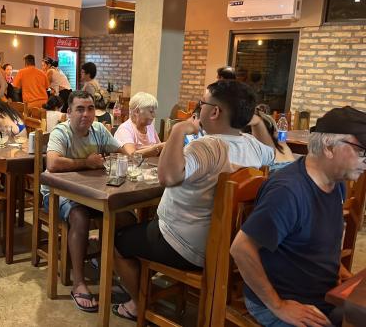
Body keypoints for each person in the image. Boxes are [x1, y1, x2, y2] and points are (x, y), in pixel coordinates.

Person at [111, 80, 275, 321]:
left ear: (215, 111)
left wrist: (178, 130)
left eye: (202, 103)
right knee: (139, 227)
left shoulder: (208, 148)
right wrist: (258, 122)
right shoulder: (252, 146)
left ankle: (138, 304)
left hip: (185, 246)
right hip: (228, 247)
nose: (199, 109)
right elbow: (271, 151)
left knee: (117, 242)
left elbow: (167, 177)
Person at [230, 106, 366, 327]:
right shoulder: (288, 191)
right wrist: (278, 306)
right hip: (283, 302)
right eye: (362, 151)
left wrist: (339, 273)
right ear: (329, 147)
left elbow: (315, 241)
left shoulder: (337, 184)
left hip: (322, 294)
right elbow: (240, 249)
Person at [41, 90, 134, 312]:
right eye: (80, 109)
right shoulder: (60, 132)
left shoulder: (99, 130)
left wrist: (132, 151)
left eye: (90, 108)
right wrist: (87, 162)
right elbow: (52, 164)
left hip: (92, 194)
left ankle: (118, 272)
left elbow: (123, 153)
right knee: (79, 217)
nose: (86, 114)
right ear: (69, 112)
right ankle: (79, 283)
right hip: (56, 194)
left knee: (125, 217)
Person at [114, 92, 164, 157]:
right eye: (151, 111)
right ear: (137, 111)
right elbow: (131, 154)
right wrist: (155, 148)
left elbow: (160, 148)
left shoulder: (150, 127)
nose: (154, 115)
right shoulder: (125, 129)